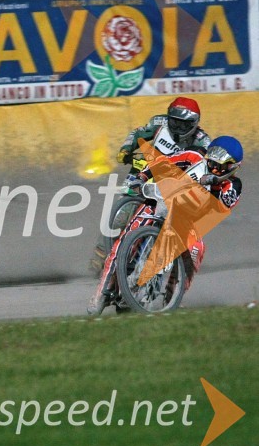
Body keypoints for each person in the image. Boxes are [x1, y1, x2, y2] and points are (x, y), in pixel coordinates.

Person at [89, 136, 243, 315]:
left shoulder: (234, 186)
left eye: (220, 167)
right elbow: (163, 162)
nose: (214, 168)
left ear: (232, 168)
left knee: (197, 249)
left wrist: (212, 184)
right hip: (160, 201)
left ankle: (173, 297)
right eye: (212, 163)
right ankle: (102, 292)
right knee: (126, 237)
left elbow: (222, 204)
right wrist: (142, 177)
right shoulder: (194, 156)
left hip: (186, 220)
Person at [90, 96, 214, 273]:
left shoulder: (203, 141)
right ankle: (101, 254)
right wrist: (126, 149)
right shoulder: (158, 123)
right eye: (174, 122)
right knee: (121, 214)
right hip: (143, 172)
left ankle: (155, 257)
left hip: (173, 182)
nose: (177, 128)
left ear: (194, 124)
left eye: (183, 125)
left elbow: (205, 165)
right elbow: (137, 133)